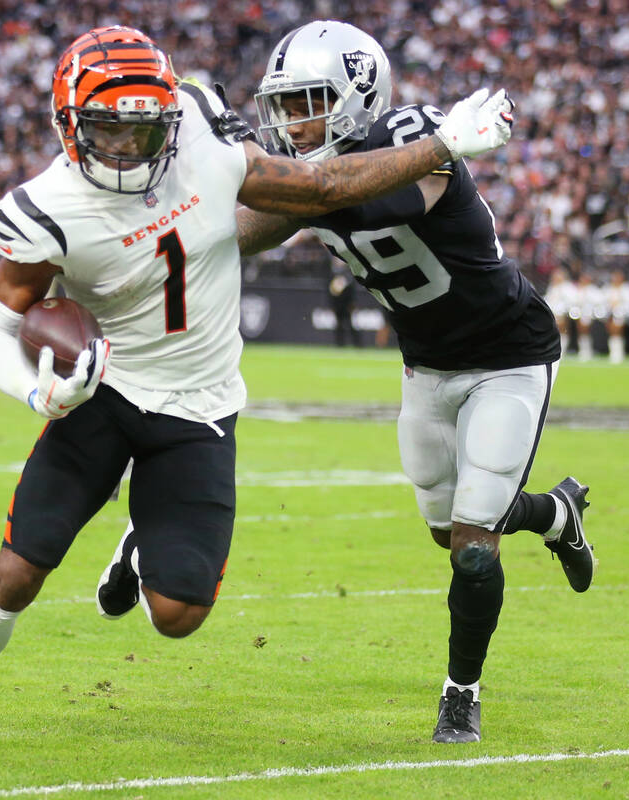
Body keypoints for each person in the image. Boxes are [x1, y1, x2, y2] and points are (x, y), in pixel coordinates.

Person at [0, 24, 515, 768]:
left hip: (200, 407)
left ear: (172, 114)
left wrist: (440, 149)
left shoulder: (206, 127)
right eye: (109, 127)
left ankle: (141, 543)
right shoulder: (45, 206)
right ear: (70, 125)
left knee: (177, 616)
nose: (127, 144)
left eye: (145, 126)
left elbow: (316, 190)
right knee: (17, 571)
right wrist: (36, 391)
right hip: (103, 394)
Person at [234, 20, 596, 745]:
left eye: (308, 102)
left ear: (358, 96)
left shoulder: (418, 136)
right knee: (447, 531)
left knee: (472, 543)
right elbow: (245, 231)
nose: (293, 123)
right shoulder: (318, 176)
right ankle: (557, 516)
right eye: (286, 105)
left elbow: (386, 197)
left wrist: (287, 185)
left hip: (507, 354)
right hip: (426, 366)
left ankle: (461, 693)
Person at [603, 269, 629, 364]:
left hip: (622, 313)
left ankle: (618, 353)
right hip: (610, 314)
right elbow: (603, 302)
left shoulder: (627, 288)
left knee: (617, 328)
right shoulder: (608, 288)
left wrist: (619, 309)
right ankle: (614, 352)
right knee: (612, 330)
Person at [543, 267, 578, 357]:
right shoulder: (552, 287)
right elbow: (548, 300)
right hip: (551, 313)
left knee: (561, 329)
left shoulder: (567, 287)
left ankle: (562, 350)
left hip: (562, 313)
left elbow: (573, 300)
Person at [327, 262, 360, 346]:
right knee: (339, 325)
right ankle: (340, 344)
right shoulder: (333, 276)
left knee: (350, 325)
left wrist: (352, 303)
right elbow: (331, 293)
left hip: (346, 305)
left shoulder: (347, 276)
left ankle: (357, 344)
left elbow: (351, 292)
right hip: (338, 305)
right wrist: (332, 305)